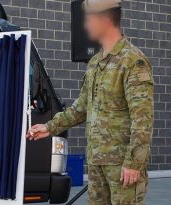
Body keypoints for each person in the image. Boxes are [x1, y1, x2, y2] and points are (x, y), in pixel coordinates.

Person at [27, 0, 153, 204]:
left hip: (122, 165)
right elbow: (81, 107)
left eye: (88, 20)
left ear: (103, 20)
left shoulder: (133, 61)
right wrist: (50, 127)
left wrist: (134, 163)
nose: (85, 26)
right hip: (97, 162)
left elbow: (143, 121)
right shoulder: (95, 63)